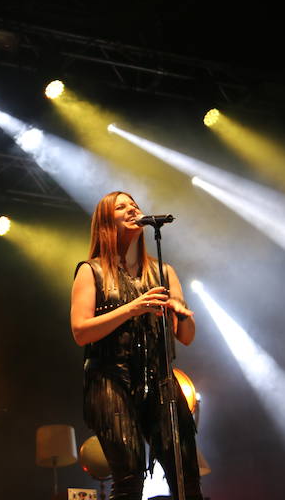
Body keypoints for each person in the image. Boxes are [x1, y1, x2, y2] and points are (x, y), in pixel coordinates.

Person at [70, 191, 203, 500]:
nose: (132, 209)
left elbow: (186, 336)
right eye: (121, 207)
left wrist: (181, 314)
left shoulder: (163, 272)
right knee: (129, 479)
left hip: (160, 380)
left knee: (187, 476)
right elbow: (80, 332)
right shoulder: (91, 271)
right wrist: (132, 308)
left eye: (134, 205)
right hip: (110, 379)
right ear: (106, 221)